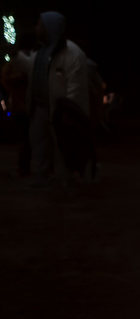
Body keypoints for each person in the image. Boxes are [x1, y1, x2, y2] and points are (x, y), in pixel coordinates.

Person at [14, 11, 90, 187]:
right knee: (39, 145)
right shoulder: (39, 52)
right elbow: (32, 71)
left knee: (61, 147)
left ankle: (65, 181)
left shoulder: (72, 53)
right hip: (39, 109)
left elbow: (75, 85)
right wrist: (17, 57)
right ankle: (43, 180)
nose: (36, 28)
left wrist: (69, 111)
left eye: (40, 24)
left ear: (49, 27)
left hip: (60, 112)